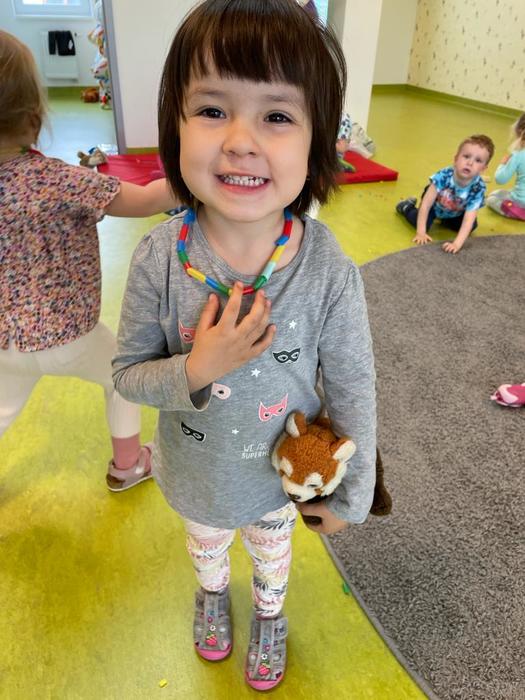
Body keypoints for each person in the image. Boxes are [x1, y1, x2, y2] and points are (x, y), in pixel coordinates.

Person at [112, 0, 376, 690]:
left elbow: (354, 383)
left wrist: (351, 496)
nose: (239, 140)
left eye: (277, 116)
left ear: (318, 140)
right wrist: (197, 367)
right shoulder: (159, 259)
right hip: (195, 475)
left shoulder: (326, 268)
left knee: (271, 557)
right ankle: (210, 596)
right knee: (206, 552)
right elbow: (128, 375)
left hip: (277, 478)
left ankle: (269, 614)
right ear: (173, 123)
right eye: (211, 109)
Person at [0, 30, 179, 492]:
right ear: (34, 118)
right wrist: (196, 177)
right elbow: (146, 200)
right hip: (71, 336)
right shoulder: (60, 180)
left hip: (3, 343)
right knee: (122, 378)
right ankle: (127, 466)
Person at [396, 134, 494, 254]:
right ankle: (406, 207)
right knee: (421, 222)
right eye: (466, 156)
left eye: (478, 160)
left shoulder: (478, 188)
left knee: (472, 226)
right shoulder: (444, 176)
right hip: (434, 206)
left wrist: (456, 244)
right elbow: (426, 204)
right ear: (456, 159)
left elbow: (468, 219)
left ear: (483, 168)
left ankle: (445, 220)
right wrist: (421, 233)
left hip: (456, 212)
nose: (470, 163)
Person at [486, 113, 525, 220]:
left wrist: (502, 164)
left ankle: (518, 212)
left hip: (521, 202)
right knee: (502, 192)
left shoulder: (518, 154)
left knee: (492, 198)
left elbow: (500, 179)